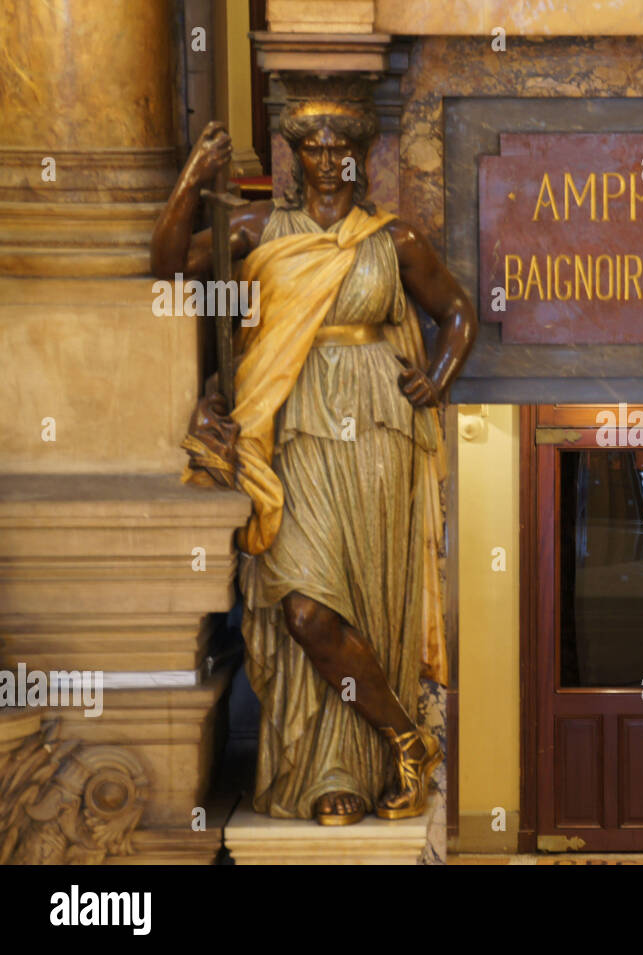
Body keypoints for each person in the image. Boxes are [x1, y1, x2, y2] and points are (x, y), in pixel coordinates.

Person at [150, 99, 477, 826]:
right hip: (291, 426)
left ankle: (354, 771)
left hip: (378, 439)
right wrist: (188, 186)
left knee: (368, 600)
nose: (328, 160)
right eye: (314, 148)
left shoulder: (393, 241)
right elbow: (168, 269)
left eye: (340, 148)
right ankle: (406, 739)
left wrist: (440, 376)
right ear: (295, 157)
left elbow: (458, 310)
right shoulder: (256, 230)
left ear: (360, 156)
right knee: (304, 608)